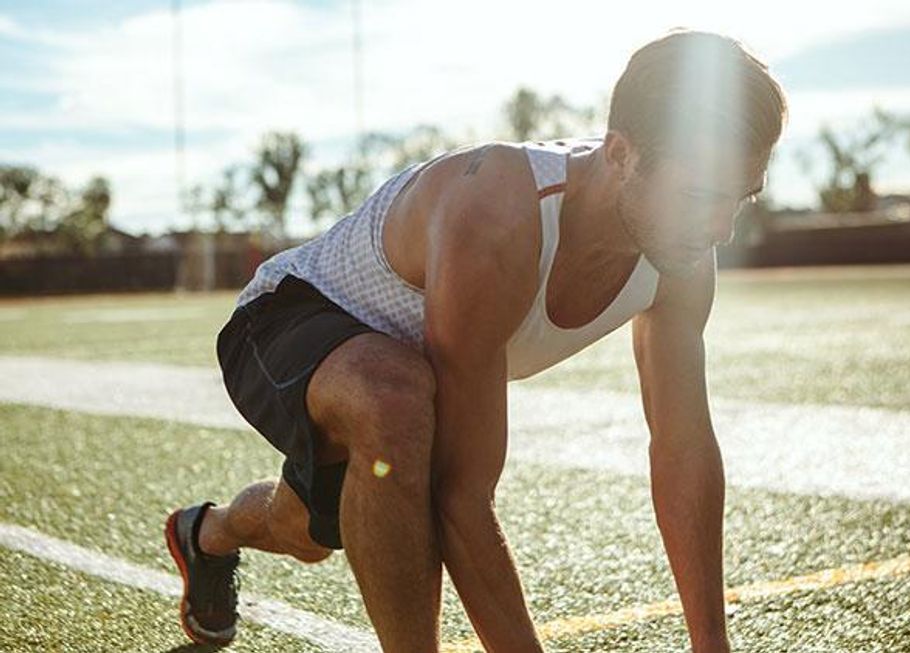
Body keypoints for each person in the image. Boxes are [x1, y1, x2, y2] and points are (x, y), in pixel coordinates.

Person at [164, 28, 787, 653]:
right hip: (285, 317)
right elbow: (462, 495)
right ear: (620, 154)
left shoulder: (683, 255)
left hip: (399, 374)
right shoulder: (497, 211)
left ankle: (208, 533)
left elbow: (683, 451)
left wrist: (713, 645)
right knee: (396, 399)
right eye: (701, 195)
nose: (720, 229)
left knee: (302, 531)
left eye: (739, 197)